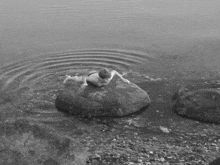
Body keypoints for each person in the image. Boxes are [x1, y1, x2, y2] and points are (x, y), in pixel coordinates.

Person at [63, 68, 130, 87]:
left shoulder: (109, 77)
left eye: (108, 78)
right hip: (91, 74)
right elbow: (85, 76)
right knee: (77, 80)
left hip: (96, 73)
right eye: (106, 79)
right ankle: (69, 77)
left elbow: (114, 71)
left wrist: (123, 79)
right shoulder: (94, 80)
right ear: (100, 78)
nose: (108, 80)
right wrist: (85, 83)